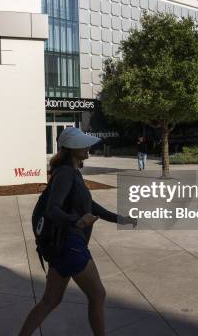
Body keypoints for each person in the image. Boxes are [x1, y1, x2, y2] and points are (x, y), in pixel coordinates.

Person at [18, 127, 137, 336]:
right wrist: (77, 221)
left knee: (50, 300)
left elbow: (90, 205)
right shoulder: (65, 173)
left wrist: (120, 218)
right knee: (98, 294)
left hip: (61, 246)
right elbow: (52, 209)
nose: (88, 147)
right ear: (72, 148)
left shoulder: (70, 172)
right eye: (83, 144)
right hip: (70, 245)